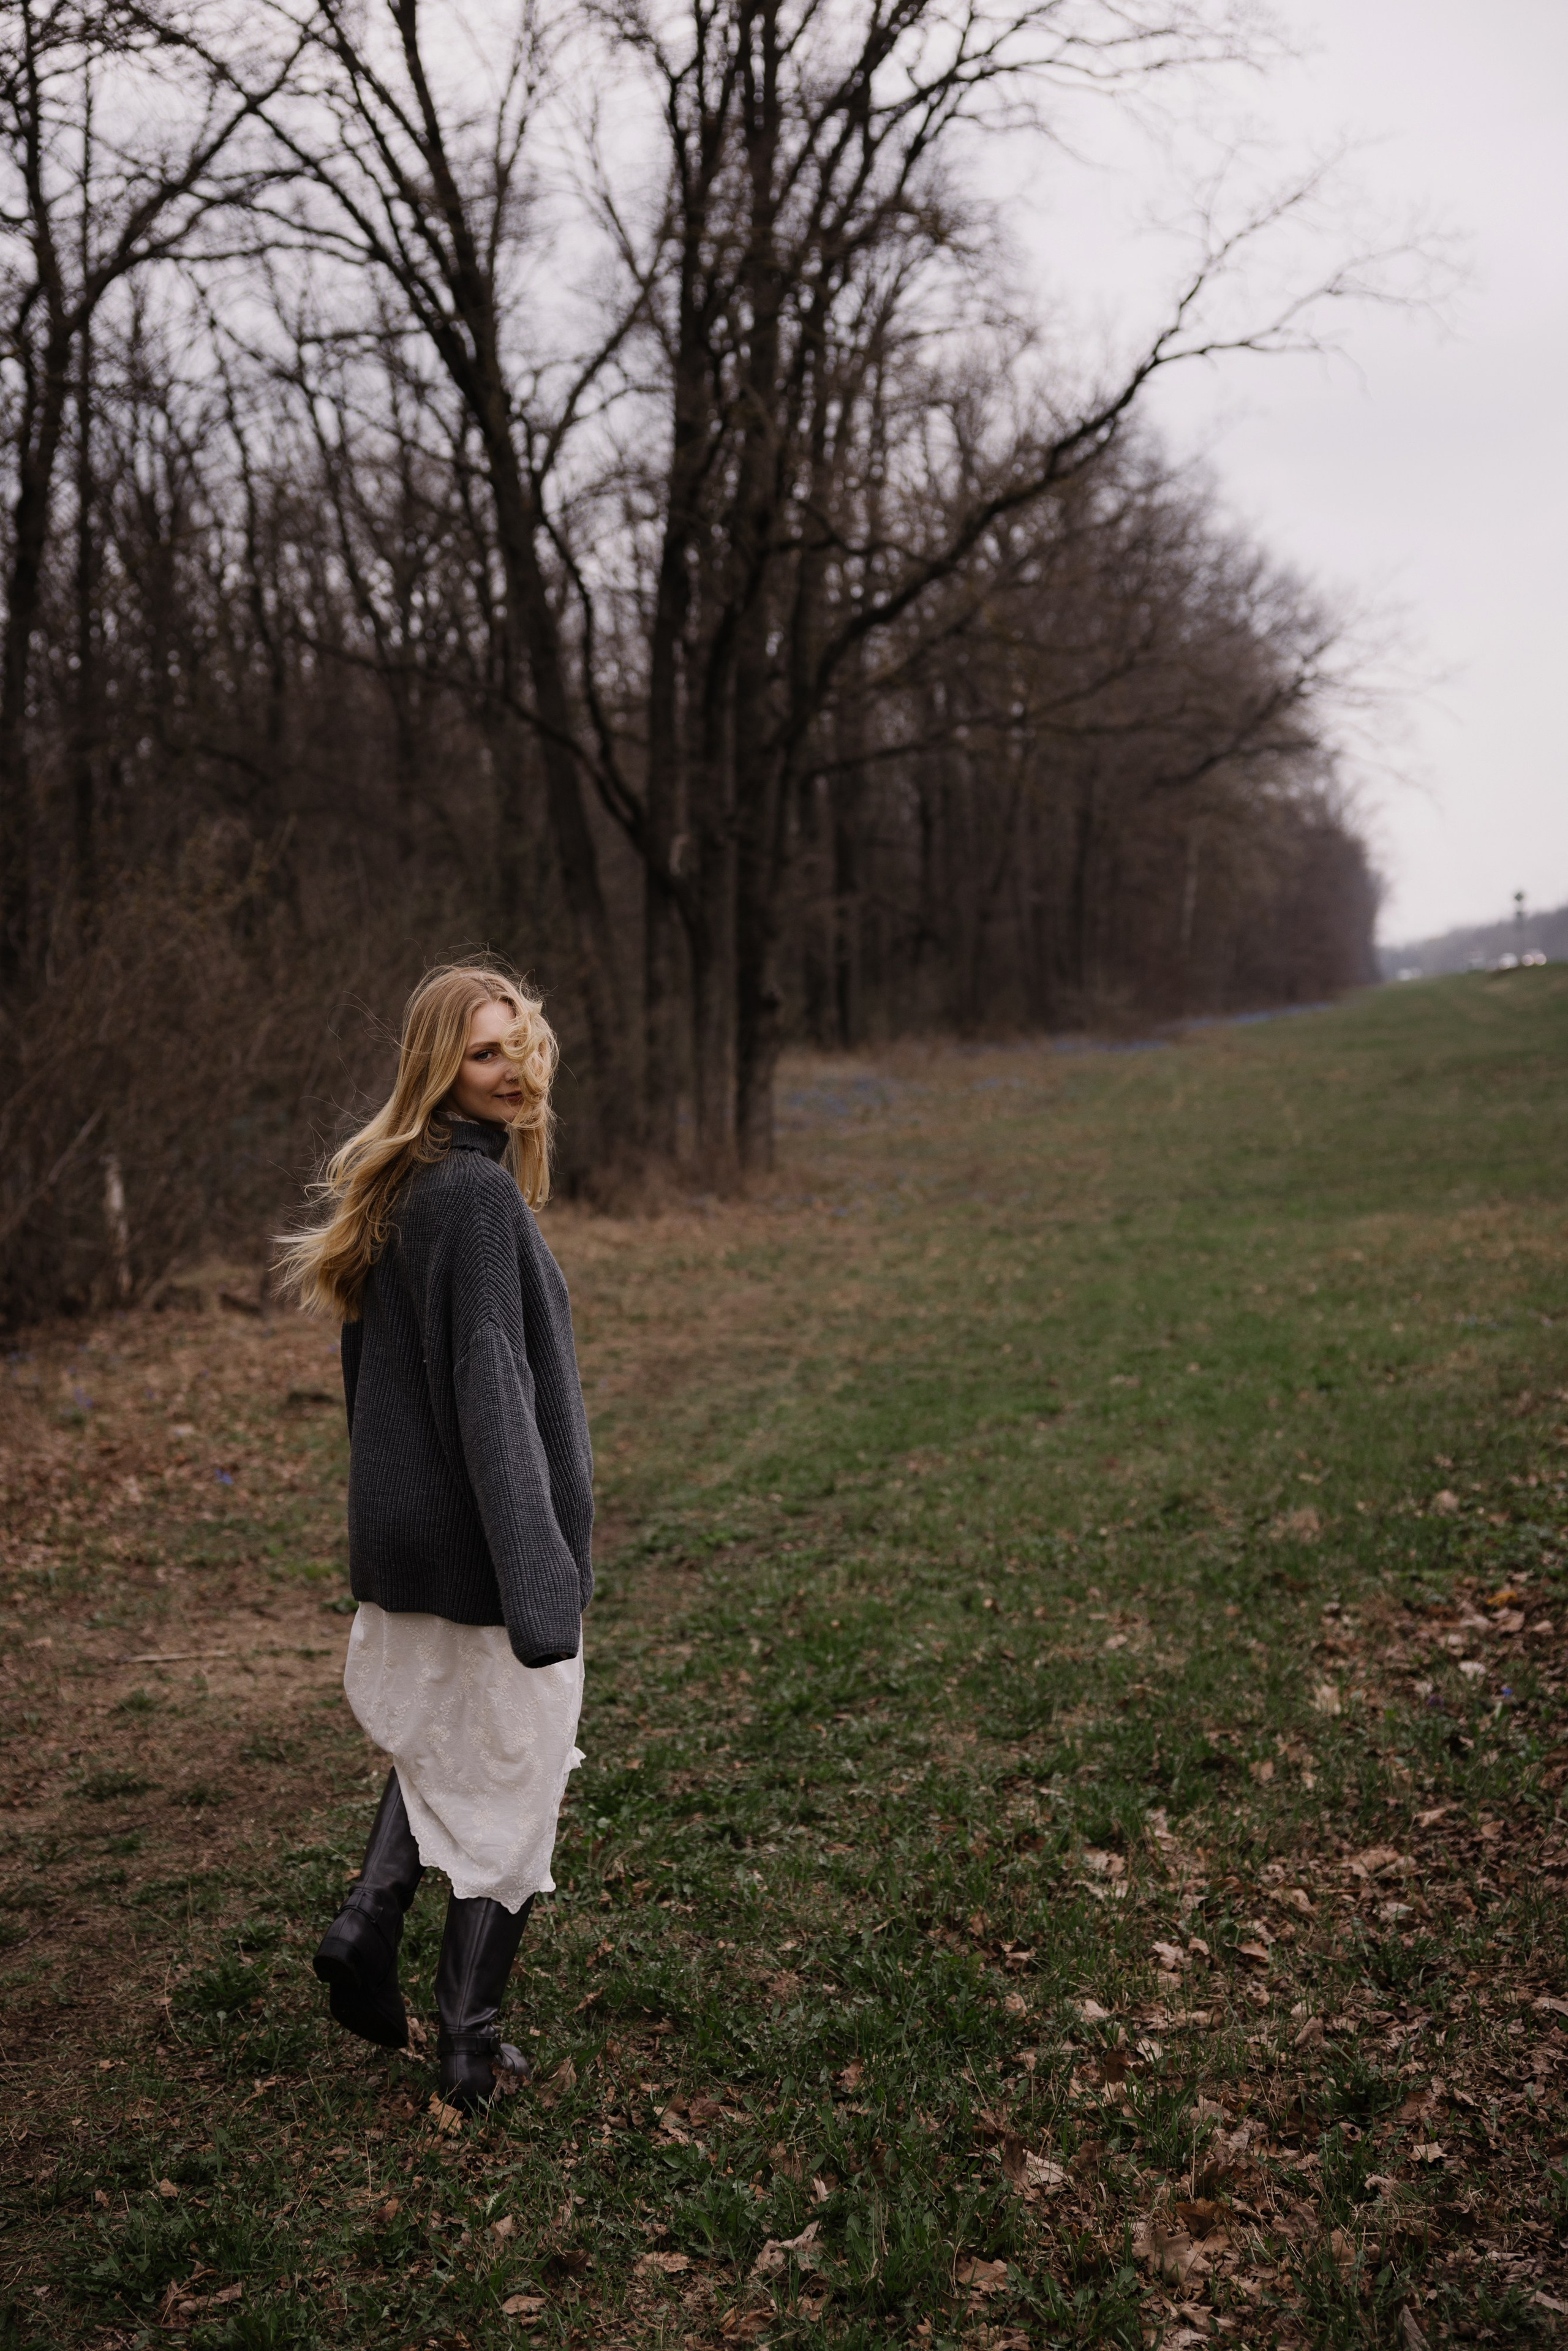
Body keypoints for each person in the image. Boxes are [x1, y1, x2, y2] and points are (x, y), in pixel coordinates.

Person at [276, 963, 593, 2115]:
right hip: (477, 1537)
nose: (512, 1072)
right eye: (482, 1054)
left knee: (447, 1737)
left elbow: (375, 1387)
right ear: (435, 1067)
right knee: (515, 1765)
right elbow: (493, 1393)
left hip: (409, 1533)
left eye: (519, 1047)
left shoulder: (402, 1184)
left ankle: (368, 1924)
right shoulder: (474, 1199)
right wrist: (538, 1574)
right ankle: (469, 2046)